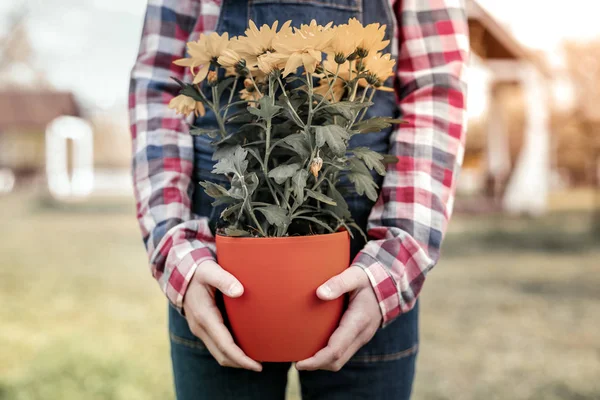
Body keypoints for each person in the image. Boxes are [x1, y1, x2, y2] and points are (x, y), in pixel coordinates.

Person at [129, 0, 468, 399]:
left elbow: (435, 86)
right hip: (214, 264)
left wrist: (396, 263)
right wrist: (176, 253)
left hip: (366, 265)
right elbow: (160, 84)